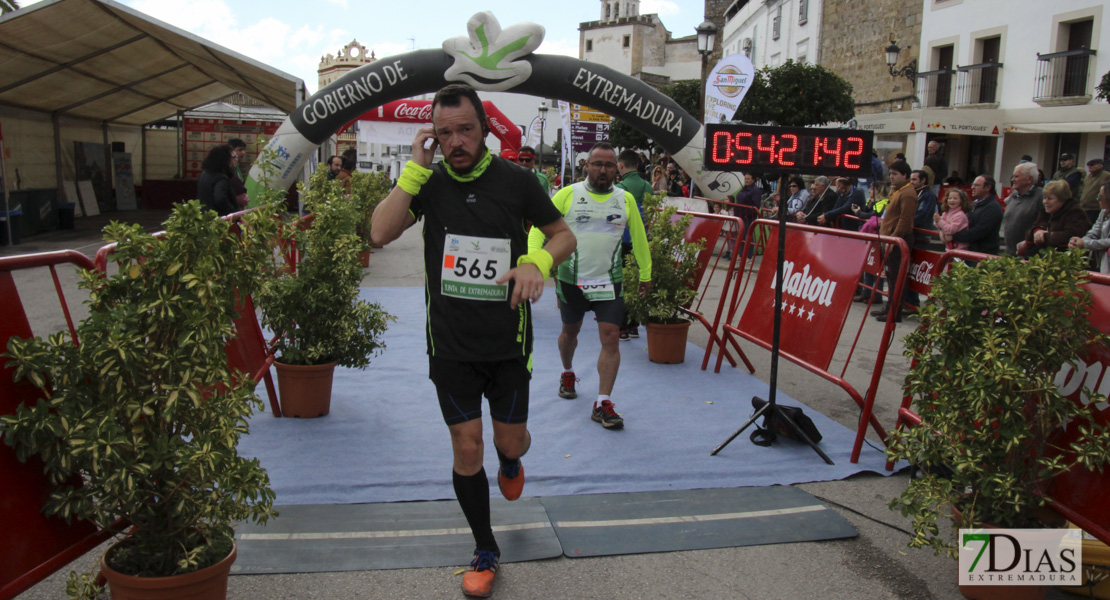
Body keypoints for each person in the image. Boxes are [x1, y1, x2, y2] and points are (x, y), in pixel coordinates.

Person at [369, 83, 576, 598]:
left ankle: (512, 460)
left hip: (508, 340)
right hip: (451, 343)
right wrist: (414, 172)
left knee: (509, 442)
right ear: (433, 138)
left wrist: (537, 261)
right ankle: (485, 548)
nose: (456, 141)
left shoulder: (517, 180)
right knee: (467, 447)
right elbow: (378, 233)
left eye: (465, 129)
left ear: (484, 128)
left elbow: (563, 235)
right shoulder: (429, 183)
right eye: (445, 133)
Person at [528, 142, 651, 432]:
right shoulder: (568, 194)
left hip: (610, 283)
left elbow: (640, 236)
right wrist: (537, 263)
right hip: (573, 282)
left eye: (610, 165)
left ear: (617, 169)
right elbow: (537, 228)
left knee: (610, 338)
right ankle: (567, 372)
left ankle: (602, 402)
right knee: (570, 333)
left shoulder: (625, 199)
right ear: (587, 165)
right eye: (598, 164)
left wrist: (646, 273)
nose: (603, 169)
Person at [615, 149, 652, 340]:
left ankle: (622, 327)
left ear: (621, 166)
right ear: (637, 165)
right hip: (642, 239)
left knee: (621, 282)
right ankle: (634, 325)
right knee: (639, 281)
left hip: (623, 240)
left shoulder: (620, 187)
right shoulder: (647, 185)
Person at [872, 161, 916, 323]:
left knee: (897, 277)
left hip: (898, 241)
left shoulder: (908, 193)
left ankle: (894, 311)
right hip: (890, 238)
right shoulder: (898, 191)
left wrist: (893, 240)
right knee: (890, 276)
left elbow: (905, 220)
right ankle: (889, 307)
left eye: (895, 174)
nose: (891, 177)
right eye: (890, 174)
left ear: (905, 175)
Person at [1017, 180, 1090, 256]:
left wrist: (1044, 237)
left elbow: (1070, 236)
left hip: (1065, 258)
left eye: (1050, 198)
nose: (1045, 201)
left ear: (1062, 199)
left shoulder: (1075, 212)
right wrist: (1037, 231)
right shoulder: (1046, 211)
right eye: (1044, 198)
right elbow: (1031, 232)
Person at [853, 180, 890, 304]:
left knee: (877, 268)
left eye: (872, 189)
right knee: (868, 266)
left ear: (879, 191)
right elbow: (867, 212)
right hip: (869, 238)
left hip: (877, 239)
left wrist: (858, 213)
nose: (870, 191)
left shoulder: (884, 202)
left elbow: (872, 215)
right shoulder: (874, 202)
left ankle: (877, 295)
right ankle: (866, 292)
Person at [951, 175, 1003, 254]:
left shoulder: (993, 208)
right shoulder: (975, 204)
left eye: (976, 185)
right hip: (971, 251)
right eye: (972, 184)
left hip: (982, 255)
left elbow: (979, 231)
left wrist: (954, 235)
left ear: (988, 188)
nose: (972, 187)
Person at [1001, 162, 1045, 255]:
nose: (1013, 180)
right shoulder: (1013, 196)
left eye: (1016, 176)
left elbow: (1043, 223)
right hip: (1010, 252)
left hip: (1030, 256)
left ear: (1029, 179)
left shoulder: (1041, 197)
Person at [1070, 181, 1110, 273]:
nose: (1097, 199)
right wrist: (1079, 242)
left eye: (1100, 196)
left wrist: (1085, 244)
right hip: (1101, 264)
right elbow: (1093, 232)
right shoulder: (1104, 212)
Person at [196, 145, 238, 216]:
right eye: (234, 157)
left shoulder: (204, 174)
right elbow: (220, 199)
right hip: (218, 219)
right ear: (225, 159)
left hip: (204, 216)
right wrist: (232, 211)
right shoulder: (221, 178)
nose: (236, 159)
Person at [727, 173, 762, 258]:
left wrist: (748, 214)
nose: (746, 180)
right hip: (740, 215)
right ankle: (741, 254)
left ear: (753, 180)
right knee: (742, 235)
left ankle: (748, 256)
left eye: (748, 179)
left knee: (748, 235)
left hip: (748, 217)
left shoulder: (755, 190)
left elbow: (756, 205)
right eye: (745, 179)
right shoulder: (744, 189)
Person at [1080, 158, 1110, 223]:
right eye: (1089, 165)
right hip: (1085, 207)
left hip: (1096, 208)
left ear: (1100, 165)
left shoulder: (1106, 175)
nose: (1090, 167)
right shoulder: (1088, 177)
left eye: (1092, 165)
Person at [227, 138, 249, 208]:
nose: (243, 152)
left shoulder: (237, 166)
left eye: (244, 149)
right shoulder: (228, 168)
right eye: (240, 150)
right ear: (231, 151)